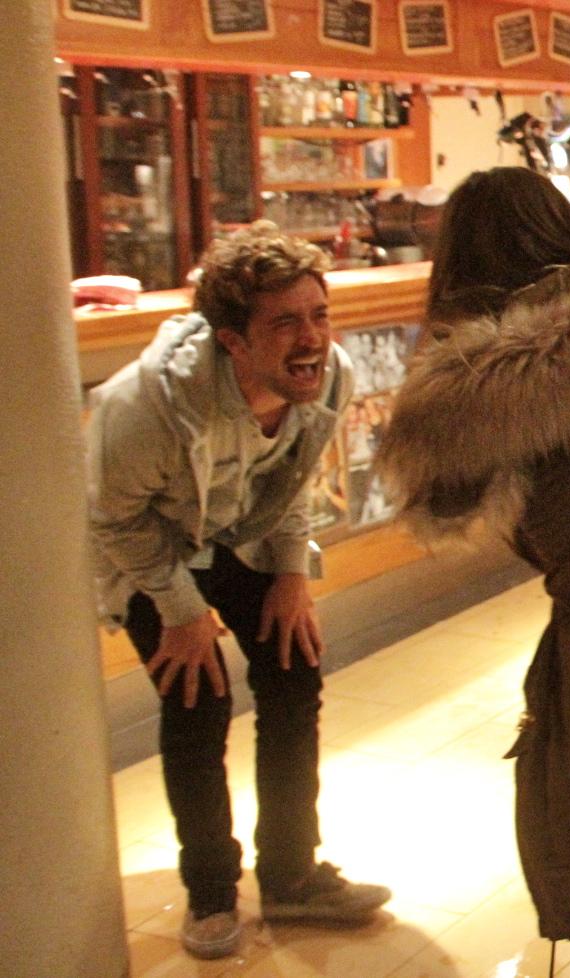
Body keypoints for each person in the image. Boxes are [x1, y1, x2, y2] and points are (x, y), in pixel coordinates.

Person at [86, 221, 390, 959]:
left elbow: (293, 480)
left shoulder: (328, 375)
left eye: (318, 315)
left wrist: (290, 575)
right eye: (284, 323)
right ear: (232, 340)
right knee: (199, 696)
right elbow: (113, 520)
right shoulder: (147, 405)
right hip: (151, 549)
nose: (311, 338)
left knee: (294, 668)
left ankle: (291, 875)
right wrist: (181, 611)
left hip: (240, 533)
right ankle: (212, 892)